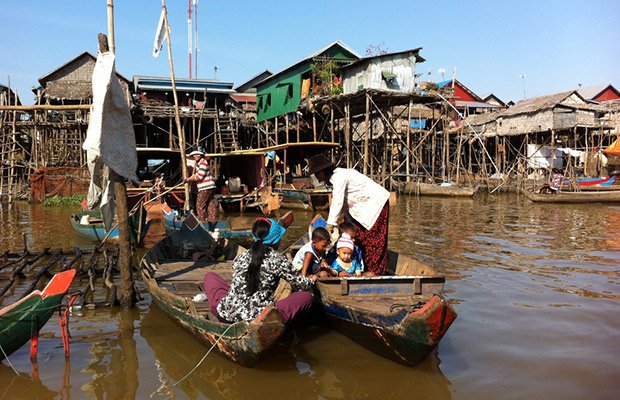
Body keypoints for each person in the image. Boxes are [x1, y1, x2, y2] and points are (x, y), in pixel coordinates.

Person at [203, 218, 316, 323]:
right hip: (258, 317)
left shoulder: (241, 257)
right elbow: (303, 285)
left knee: (210, 277)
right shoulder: (277, 259)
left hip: (227, 312)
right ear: (276, 240)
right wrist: (312, 279)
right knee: (306, 297)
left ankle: (222, 310)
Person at [307, 153, 390, 275]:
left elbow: (338, 201)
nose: (316, 177)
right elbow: (346, 202)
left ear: (323, 170)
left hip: (376, 205)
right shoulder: (334, 179)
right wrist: (346, 221)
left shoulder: (340, 176)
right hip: (362, 207)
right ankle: (364, 268)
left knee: (374, 240)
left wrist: (330, 226)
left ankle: (375, 273)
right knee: (358, 238)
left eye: (317, 173)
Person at [183, 148, 217, 225]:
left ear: (201, 155)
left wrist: (188, 179)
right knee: (210, 204)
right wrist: (192, 177)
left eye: (198, 154)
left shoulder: (203, 163)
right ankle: (212, 221)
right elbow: (199, 174)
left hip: (205, 187)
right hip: (209, 186)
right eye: (195, 154)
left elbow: (200, 177)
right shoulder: (201, 163)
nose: (196, 156)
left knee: (200, 206)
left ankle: (202, 223)